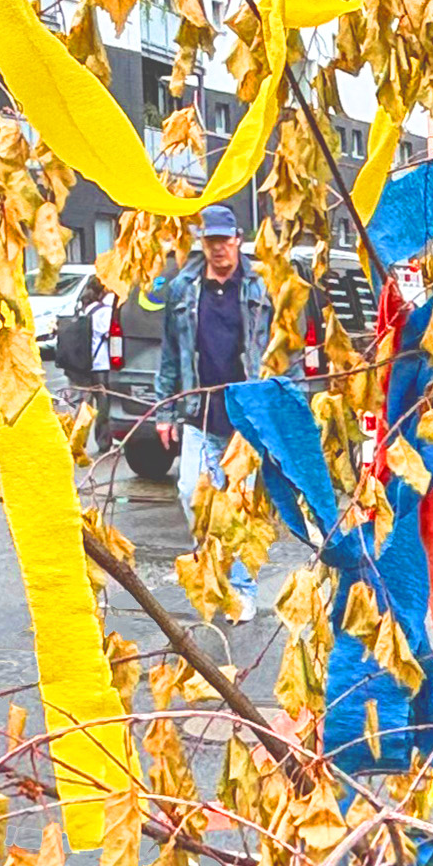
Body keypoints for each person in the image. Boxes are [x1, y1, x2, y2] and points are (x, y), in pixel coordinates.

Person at [155, 204, 274, 618]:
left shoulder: (260, 286)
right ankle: (213, 573)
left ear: (238, 239)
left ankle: (241, 590)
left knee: (239, 505)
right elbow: (170, 353)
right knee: (193, 492)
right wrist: (164, 413)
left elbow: (281, 349)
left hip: (246, 417)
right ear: (201, 244)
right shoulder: (184, 288)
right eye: (211, 241)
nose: (219, 248)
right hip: (198, 410)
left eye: (225, 239)